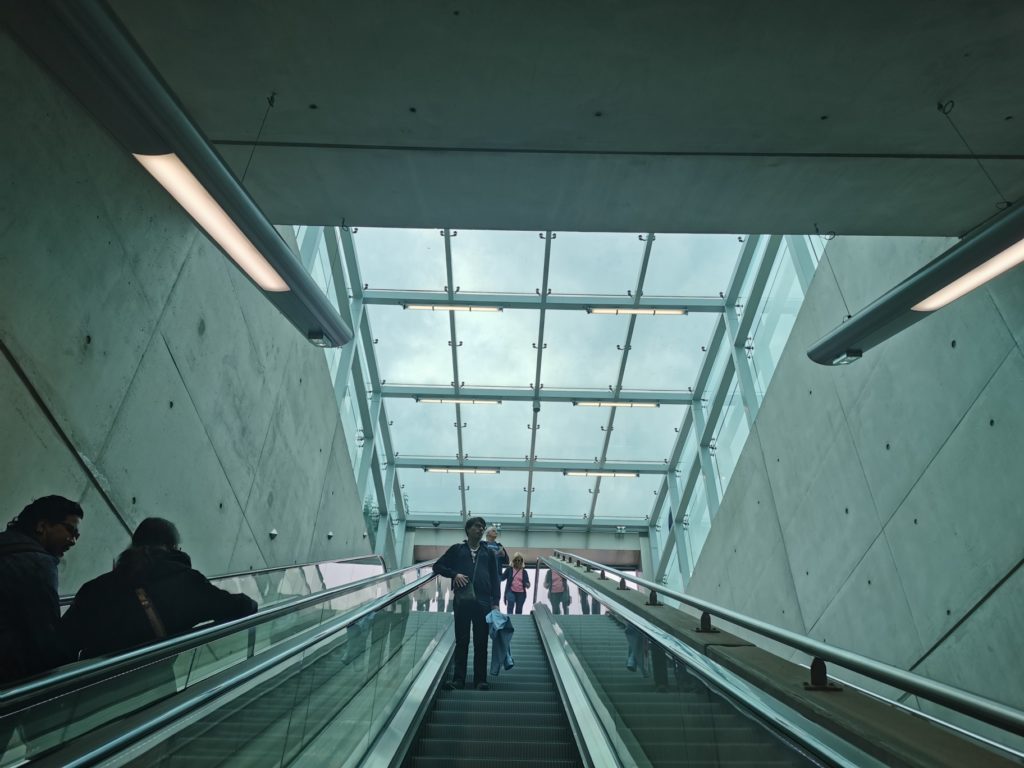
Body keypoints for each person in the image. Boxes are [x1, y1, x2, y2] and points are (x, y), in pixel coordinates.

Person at [62, 518, 257, 659]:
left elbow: (65, 638)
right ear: (172, 546)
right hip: (151, 682)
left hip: (90, 684)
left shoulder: (97, 586)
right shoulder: (185, 582)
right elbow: (238, 606)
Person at [0, 495, 83, 683]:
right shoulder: (39, 565)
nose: (73, 541)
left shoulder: (5, 542)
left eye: (76, 536)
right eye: (70, 531)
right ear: (42, 526)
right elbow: (45, 637)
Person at [432, 516, 500, 690]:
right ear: (468, 529)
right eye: (477, 526)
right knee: (461, 640)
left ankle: (480, 680)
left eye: (482, 527)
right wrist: (455, 574)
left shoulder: (489, 553)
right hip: (463, 600)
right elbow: (438, 566)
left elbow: (495, 578)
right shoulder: (457, 549)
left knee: (481, 641)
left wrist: (496, 603)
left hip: (484, 602)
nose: (481, 529)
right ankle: (458, 679)